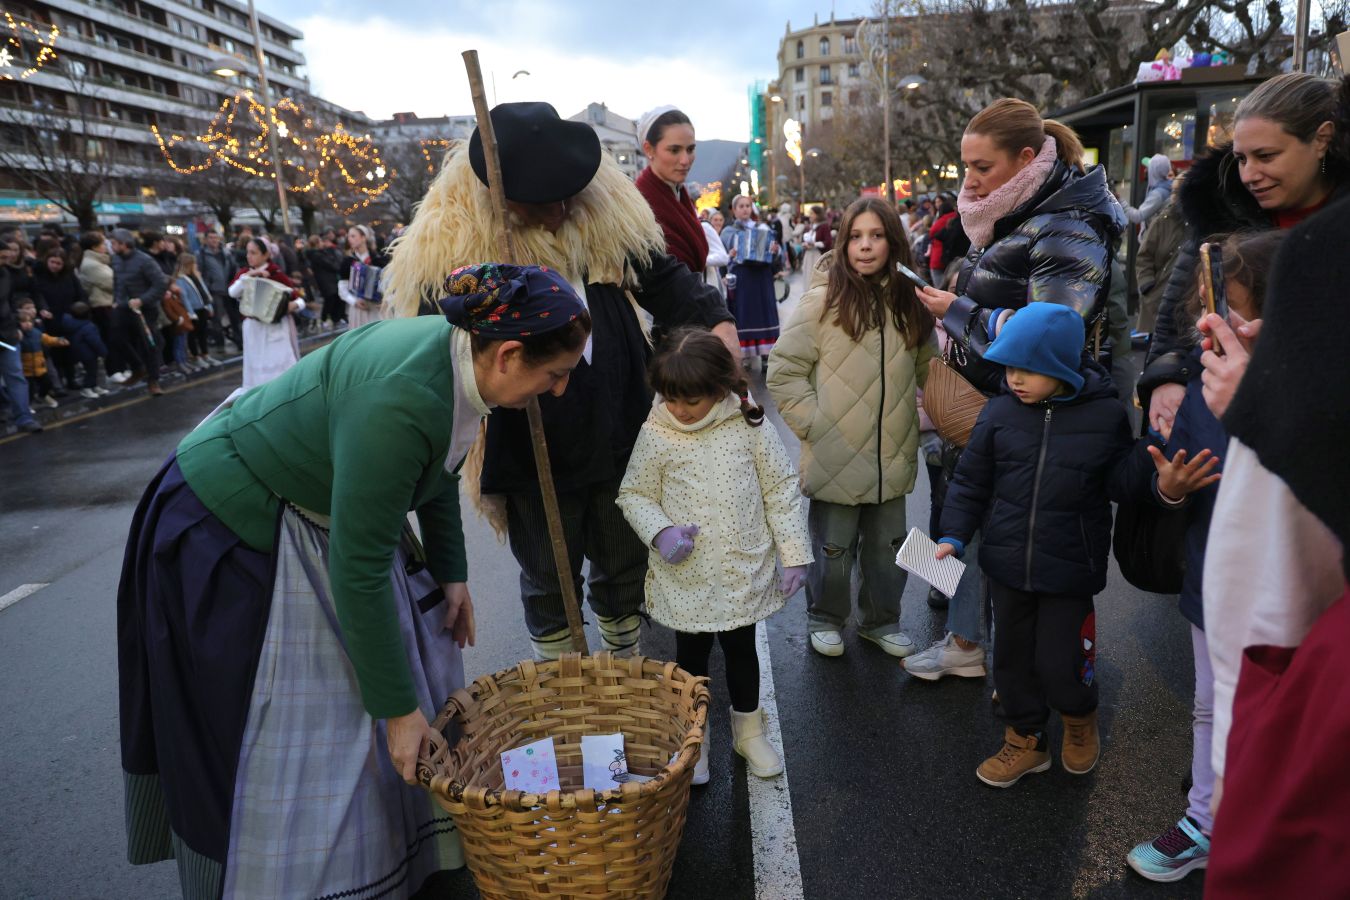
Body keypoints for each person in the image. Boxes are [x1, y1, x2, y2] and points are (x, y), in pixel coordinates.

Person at [117, 262, 588, 900]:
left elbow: (440, 465)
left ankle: (400, 847)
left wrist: (451, 573)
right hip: (232, 520)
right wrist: (396, 712)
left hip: (320, 508)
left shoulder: (459, 359)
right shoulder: (400, 399)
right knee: (321, 716)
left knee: (399, 667)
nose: (560, 390)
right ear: (507, 355)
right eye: (555, 374)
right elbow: (360, 569)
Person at [384, 101, 737, 661]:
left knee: (623, 561)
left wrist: (716, 320)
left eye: (567, 195)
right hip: (528, 436)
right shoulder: (456, 242)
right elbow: (437, 339)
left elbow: (664, 278)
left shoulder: (606, 215)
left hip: (617, 417)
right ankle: (561, 684)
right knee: (548, 573)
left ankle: (622, 671)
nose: (560, 210)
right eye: (543, 201)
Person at [905, 97, 1125, 682]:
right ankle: (971, 643)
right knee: (969, 520)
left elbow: (1052, 332)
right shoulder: (1017, 209)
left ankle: (1028, 673)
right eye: (966, 167)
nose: (970, 181)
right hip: (994, 401)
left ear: (1027, 159)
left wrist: (957, 312)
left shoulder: (1064, 223)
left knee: (1016, 538)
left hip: (1028, 407)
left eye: (983, 167)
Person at [1113, 229, 1283, 883]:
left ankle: (1266, 827)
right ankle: (1204, 822)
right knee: (1210, 705)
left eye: (1233, 309)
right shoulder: (1200, 383)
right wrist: (1169, 488)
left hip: (1279, 592)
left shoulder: (1307, 392)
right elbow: (1172, 474)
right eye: (1210, 310)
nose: (1216, 325)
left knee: (1274, 716)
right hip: (1209, 576)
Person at [935, 304, 1132, 787]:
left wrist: (1158, 476)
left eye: (1027, 368)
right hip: (1006, 564)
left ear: (1061, 367)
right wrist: (953, 534)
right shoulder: (1000, 412)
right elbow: (970, 481)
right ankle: (1025, 738)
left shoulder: (1105, 416)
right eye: (1008, 367)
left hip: (1069, 568)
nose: (1014, 378)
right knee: (1012, 661)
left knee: (1064, 660)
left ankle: (1079, 719)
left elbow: (1123, 479)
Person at [617, 327, 810, 783]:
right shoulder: (657, 432)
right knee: (691, 660)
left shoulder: (748, 423)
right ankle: (694, 739)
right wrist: (661, 533)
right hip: (688, 577)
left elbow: (780, 488)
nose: (679, 410)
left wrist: (795, 553)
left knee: (742, 651)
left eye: (691, 400)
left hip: (742, 568)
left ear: (720, 388)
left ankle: (749, 732)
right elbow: (634, 494)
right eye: (671, 399)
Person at [767, 198, 934, 658]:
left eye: (876, 236)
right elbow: (784, 371)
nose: (865, 246)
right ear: (843, 243)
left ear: (893, 242)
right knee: (833, 550)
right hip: (834, 455)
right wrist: (815, 425)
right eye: (856, 236)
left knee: (888, 549)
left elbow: (932, 372)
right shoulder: (821, 303)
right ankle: (825, 617)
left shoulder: (910, 304)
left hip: (891, 457)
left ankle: (881, 621)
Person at [1144, 72, 1348, 442]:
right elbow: (1176, 313)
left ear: (1321, 139)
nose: (1249, 174)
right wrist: (1166, 377)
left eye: (1266, 156)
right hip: (1216, 429)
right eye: (1240, 159)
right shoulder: (1218, 207)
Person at [635, 106, 707, 277]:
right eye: (674, 150)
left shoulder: (679, 193)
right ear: (649, 149)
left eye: (690, 149)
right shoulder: (640, 206)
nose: (685, 160)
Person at [228, 238, 306, 390]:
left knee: (278, 368)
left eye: (253, 253)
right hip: (253, 328)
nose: (249, 256)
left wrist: (293, 305)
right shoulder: (244, 274)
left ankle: (282, 393)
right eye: (248, 252)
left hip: (275, 329)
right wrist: (250, 275)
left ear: (265, 255)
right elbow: (232, 292)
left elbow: (299, 299)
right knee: (255, 367)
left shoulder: (276, 274)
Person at [722, 195, 783, 366]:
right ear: (734, 210)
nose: (745, 209)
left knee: (765, 313)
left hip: (762, 278)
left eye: (747, 206)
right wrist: (730, 256)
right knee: (744, 314)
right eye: (741, 206)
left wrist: (775, 250)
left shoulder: (763, 228)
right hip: (742, 279)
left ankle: (766, 355)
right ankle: (745, 354)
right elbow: (723, 257)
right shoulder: (728, 231)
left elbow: (776, 254)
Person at [109, 229, 167, 396]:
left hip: (144, 308)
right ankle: (137, 367)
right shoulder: (115, 260)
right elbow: (117, 281)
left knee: (149, 344)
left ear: (124, 244)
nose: (111, 247)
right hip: (123, 306)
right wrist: (116, 299)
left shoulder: (145, 260)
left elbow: (160, 284)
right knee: (115, 337)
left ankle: (153, 380)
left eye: (114, 243)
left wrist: (142, 299)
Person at [1132, 174, 1186, 336]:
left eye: (1178, 192)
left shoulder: (1201, 224)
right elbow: (1144, 257)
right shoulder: (1162, 221)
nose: (1174, 196)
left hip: (1188, 309)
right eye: (1173, 191)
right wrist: (1147, 285)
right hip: (1157, 303)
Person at [31, 248, 87, 389]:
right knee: (54, 351)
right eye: (52, 262)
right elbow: (37, 295)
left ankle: (71, 378)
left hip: (68, 316)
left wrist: (79, 309)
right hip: (50, 319)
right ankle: (59, 380)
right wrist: (42, 309)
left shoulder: (69, 276)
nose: (54, 266)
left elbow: (80, 293)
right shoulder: (39, 276)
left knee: (69, 349)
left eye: (58, 263)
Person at [0, 250, 41, 432]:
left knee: (16, 376)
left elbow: (9, 303)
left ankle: (24, 418)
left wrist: (16, 325)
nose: (6, 260)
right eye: (2, 257)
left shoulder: (5, 274)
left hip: (7, 334)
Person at [77, 230, 116, 388]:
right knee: (110, 339)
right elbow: (111, 283)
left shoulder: (99, 262)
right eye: (103, 243)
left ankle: (117, 368)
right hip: (102, 305)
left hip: (107, 303)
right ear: (94, 247)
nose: (106, 246)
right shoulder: (91, 265)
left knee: (114, 338)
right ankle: (113, 370)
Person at [337, 224, 389, 330]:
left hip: (379, 308)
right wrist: (354, 301)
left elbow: (390, 284)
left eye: (353, 236)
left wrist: (386, 300)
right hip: (359, 310)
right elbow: (342, 288)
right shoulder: (348, 262)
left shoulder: (379, 259)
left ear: (363, 237)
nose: (349, 239)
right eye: (348, 236)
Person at [17, 305, 67, 407]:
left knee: (47, 383)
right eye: (24, 322)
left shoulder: (36, 333)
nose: (28, 324)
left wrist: (58, 340)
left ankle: (42, 396)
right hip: (26, 370)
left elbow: (48, 339)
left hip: (40, 367)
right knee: (29, 389)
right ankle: (28, 405)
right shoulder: (18, 337)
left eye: (29, 321)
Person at [175, 253, 216, 370]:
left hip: (202, 307)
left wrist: (209, 306)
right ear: (188, 265)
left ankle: (205, 354)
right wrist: (190, 312)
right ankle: (196, 357)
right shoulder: (180, 279)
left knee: (203, 333)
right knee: (193, 335)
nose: (196, 265)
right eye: (194, 263)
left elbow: (204, 291)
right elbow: (184, 297)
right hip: (193, 310)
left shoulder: (196, 276)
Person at [197, 230, 237, 350]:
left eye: (215, 237)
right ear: (206, 240)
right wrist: (206, 288)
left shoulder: (226, 252)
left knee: (234, 317)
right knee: (217, 320)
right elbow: (199, 273)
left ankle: (239, 341)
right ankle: (220, 345)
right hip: (214, 291)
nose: (214, 240)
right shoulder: (201, 254)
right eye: (211, 237)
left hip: (229, 289)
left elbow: (234, 267)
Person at [304, 233, 345, 329]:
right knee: (330, 299)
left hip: (328, 280)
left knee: (335, 298)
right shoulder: (317, 255)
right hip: (326, 281)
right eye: (321, 241)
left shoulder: (320, 253)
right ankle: (325, 319)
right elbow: (331, 264)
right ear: (317, 243)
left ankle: (335, 319)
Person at [1123, 155, 1174, 227]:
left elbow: (1138, 216)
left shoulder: (1158, 194)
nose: (1145, 170)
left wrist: (1119, 202)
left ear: (1154, 171)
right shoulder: (1167, 187)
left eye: (1149, 167)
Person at [927, 193, 958, 286]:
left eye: (939, 201)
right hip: (953, 258)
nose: (937, 204)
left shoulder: (942, 219)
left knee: (939, 286)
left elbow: (931, 232)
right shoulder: (957, 217)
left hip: (939, 256)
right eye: (936, 202)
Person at [799, 205, 831, 274]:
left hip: (817, 256)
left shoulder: (824, 226)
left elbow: (828, 242)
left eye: (812, 213)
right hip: (809, 255)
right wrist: (805, 244)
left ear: (818, 215)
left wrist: (814, 244)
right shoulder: (812, 226)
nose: (810, 216)